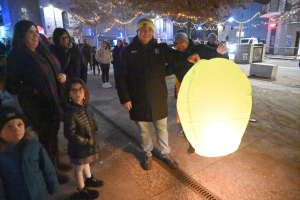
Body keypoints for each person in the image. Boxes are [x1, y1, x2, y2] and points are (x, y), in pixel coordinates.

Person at [115, 17, 199, 170]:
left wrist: (188, 57)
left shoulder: (160, 49)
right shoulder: (127, 51)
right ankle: (148, 153)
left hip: (157, 97)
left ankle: (165, 153)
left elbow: (174, 56)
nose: (146, 33)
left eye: (150, 30)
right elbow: (120, 76)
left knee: (162, 129)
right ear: (138, 31)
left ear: (153, 32)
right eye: (143, 29)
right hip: (138, 98)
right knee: (144, 131)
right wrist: (125, 98)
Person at [5, 20, 72, 184]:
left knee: (53, 134)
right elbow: (11, 86)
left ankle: (55, 161)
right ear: (22, 36)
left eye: (36, 31)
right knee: (45, 137)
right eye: (30, 32)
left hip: (53, 101)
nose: (35, 35)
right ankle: (50, 171)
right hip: (37, 106)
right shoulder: (16, 56)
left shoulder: (43, 51)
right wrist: (32, 90)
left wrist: (63, 76)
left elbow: (54, 70)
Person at [170, 32, 228, 155]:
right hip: (184, 90)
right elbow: (167, 69)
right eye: (176, 44)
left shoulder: (200, 49)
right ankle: (192, 141)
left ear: (186, 41)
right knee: (187, 116)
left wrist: (221, 52)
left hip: (201, 89)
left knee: (201, 115)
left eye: (181, 42)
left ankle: (203, 139)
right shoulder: (175, 56)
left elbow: (215, 55)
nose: (178, 45)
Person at [0, 106, 59, 199]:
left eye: (19, 124)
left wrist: (53, 186)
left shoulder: (34, 145)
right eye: (9, 126)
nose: (16, 129)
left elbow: (47, 167)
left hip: (39, 194)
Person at [63, 78, 104, 199]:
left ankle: (89, 178)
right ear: (69, 94)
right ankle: (81, 190)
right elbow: (70, 134)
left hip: (88, 144)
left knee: (86, 162)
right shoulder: (71, 112)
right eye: (74, 91)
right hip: (79, 147)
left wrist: (94, 129)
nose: (78, 93)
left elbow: (91, 121)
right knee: (79, 167)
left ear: (85, 91)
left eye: (80, 89)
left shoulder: (86, 107)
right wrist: (86, 141)